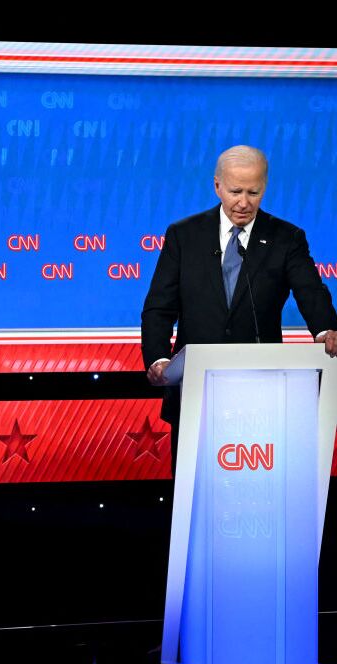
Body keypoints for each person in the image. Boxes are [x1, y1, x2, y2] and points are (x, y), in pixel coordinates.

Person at [141, 145, 337, 470]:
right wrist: (159, 359)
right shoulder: (183, 235)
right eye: (235, 191)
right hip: (196, 389)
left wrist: (326, 328)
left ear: (265, 187)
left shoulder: (286, 238)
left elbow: (311, 291)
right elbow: (159, 307)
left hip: (261, 390)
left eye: (253, 192)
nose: (243, 202)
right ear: (217, 185)